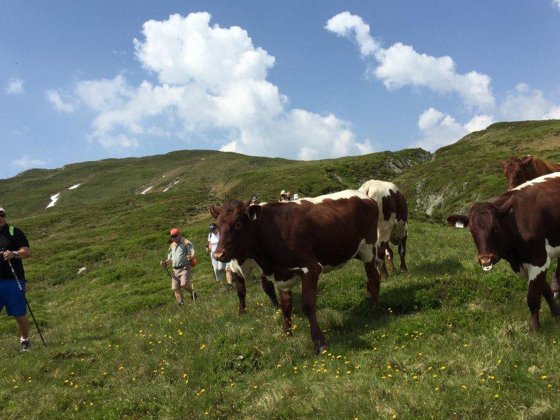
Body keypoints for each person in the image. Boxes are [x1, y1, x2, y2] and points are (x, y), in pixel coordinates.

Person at [0, 207, 32, 351]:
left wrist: (13, 253)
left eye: (2, 214)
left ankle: (25, 340)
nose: (0, 217)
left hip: (14, 280)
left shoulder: (14, 232)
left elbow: (26, 252)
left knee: (19, 313)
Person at [160, 228, 196, 305]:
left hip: (184, 267)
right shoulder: (172, 245)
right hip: (175, 270)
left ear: (180, 234)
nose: (174, 238)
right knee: (175, 288)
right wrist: (165, 262)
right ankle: (181, 303)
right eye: (172, 236)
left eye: (175, 236)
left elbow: (192, 252)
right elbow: (170, 259)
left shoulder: (185, 242)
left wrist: (190, 256)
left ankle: (192, 293)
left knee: (184, 285)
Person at [206, 223, 233, 289]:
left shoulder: (222, 234)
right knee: (219, 269)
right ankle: (222, 281)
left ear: (217, 228)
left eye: (214, 229)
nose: (213, 231)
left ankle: (230, 284)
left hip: (223, 253)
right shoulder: (210, 235)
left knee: (227, 269)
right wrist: (208, 248)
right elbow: (209, 244)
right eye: (212, 230)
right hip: (214, 254)